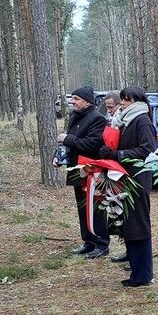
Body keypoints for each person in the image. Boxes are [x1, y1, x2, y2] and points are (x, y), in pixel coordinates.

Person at [99, 86, 156, 287]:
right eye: (121, 99)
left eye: (126, 100)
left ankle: (143, 274)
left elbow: (147, 149)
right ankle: (136, 271)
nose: (121, 103)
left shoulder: (142, 121)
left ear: (137, 102)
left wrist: (118, 155)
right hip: (125, 178)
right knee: (129, 226)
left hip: (137, 181)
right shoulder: (126, 120)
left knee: (139, 226)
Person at [55, 85, 110, 259]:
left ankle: (101, 244)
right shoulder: (74, 116)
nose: (73, 102)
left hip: (92, 171)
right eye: (72, 98)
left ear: (88, 102)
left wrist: (68, 138)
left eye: (76, 99)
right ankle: (88, 241)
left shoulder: (97, 119)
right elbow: (68, 143)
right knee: (82, 207)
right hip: (76, 170)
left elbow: (90, 144)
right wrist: (58, 157)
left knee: (96, 209)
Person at [102, 90, 130, 266]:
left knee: (128, 216)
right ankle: (127, 249)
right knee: (118, 213)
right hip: (114, 171)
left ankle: (133, 252)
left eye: (111, 107)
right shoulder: (114, 121)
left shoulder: (126, 121)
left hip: (125, 172)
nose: (109, 110)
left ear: (120, 105)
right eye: (107, 107)